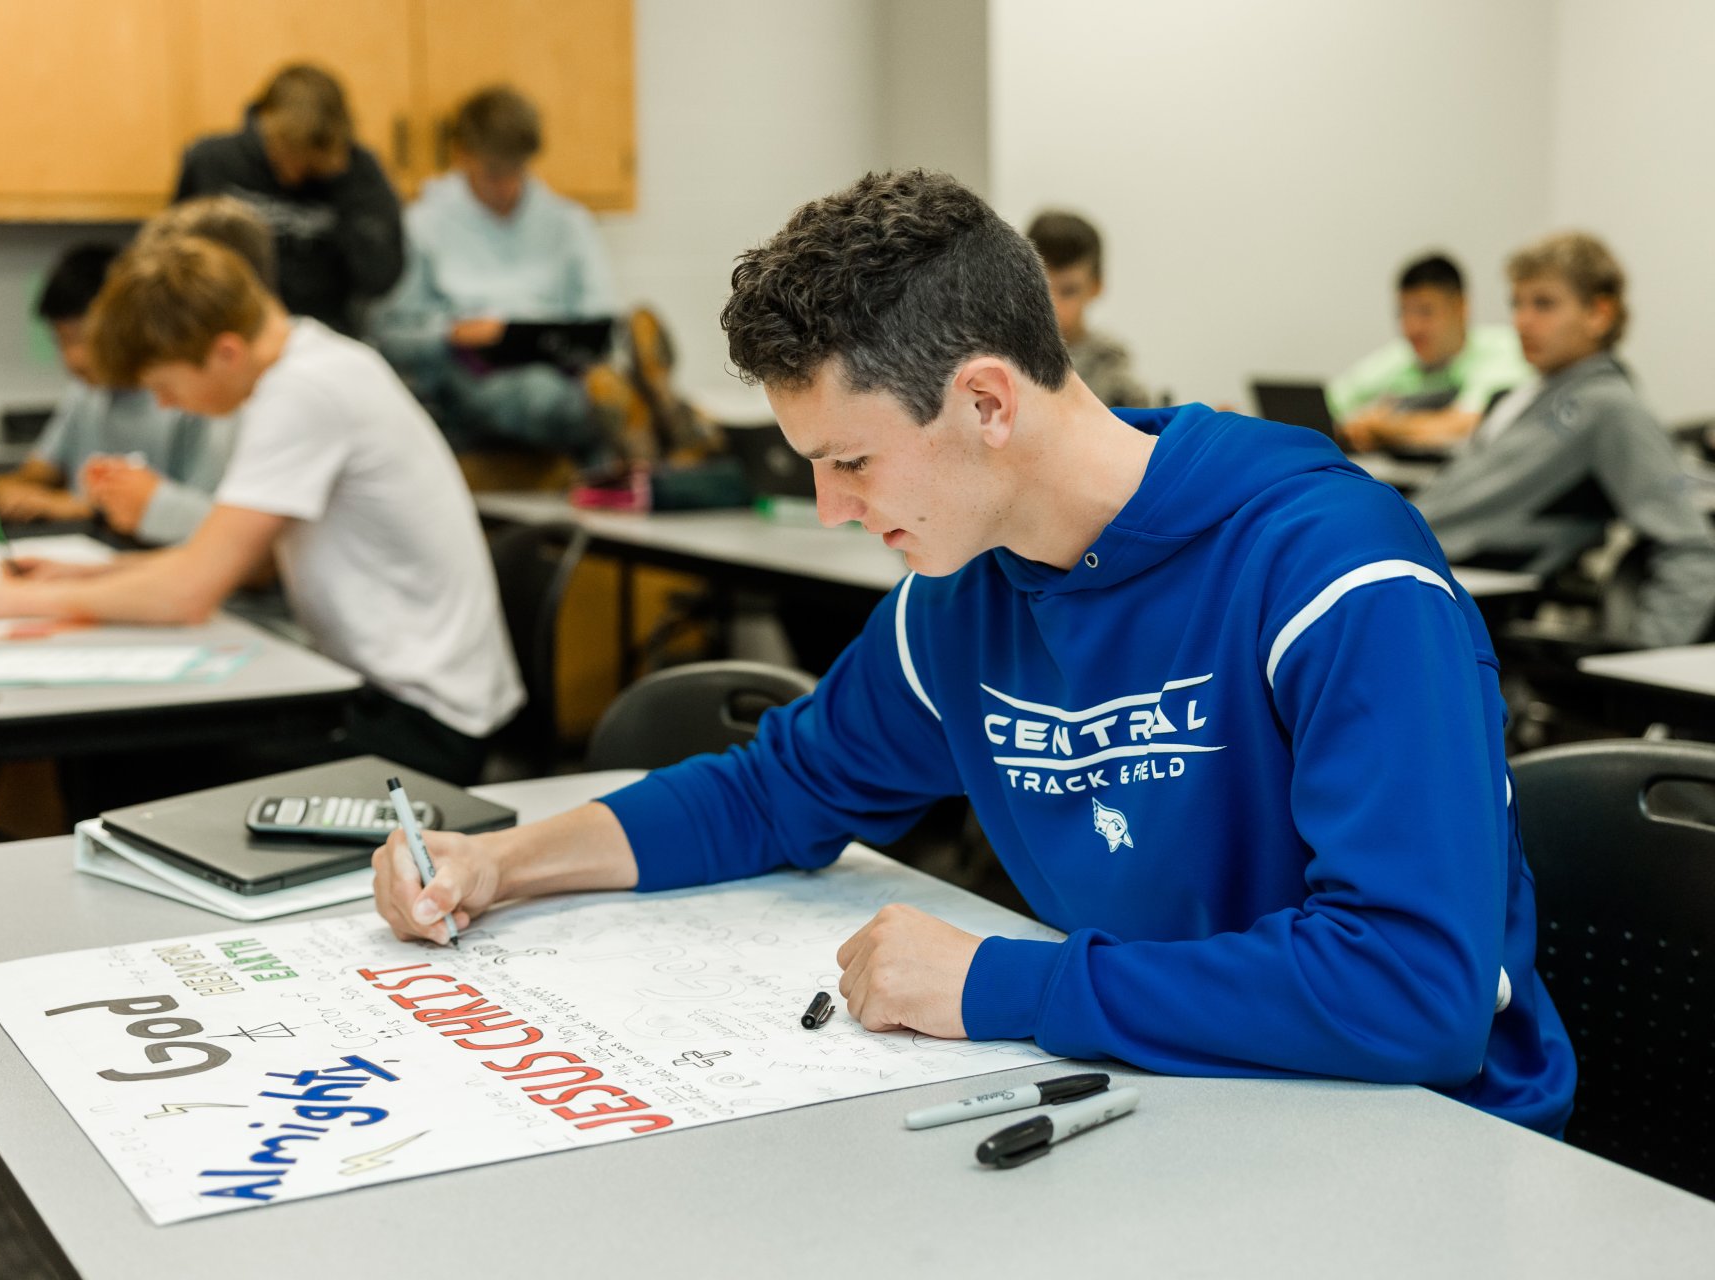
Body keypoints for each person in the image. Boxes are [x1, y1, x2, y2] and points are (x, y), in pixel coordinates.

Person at [369, 170, 1576, 1137]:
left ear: (988, 403)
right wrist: (505, 863)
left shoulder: (1337, 576)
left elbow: (1415, 991)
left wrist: (1002, 984)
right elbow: (772, 790)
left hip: (1414, 1138)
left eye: (850, 460)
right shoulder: (964, 590)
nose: (833, 510)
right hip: (1172, 1097)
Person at [0, 237, 523, 784]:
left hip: (421, 727)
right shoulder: (313, 358)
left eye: (165, 384)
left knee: (130, 762)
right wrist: (94, 575)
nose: (164, 404)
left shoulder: (301, 391)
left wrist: (17, 600)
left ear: (225, 353)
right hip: (393, 698)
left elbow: (187, 593)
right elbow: (235, 563)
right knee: (133, 753)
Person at [1415, 233, 1715, 648]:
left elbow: (1691, 550)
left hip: (1460, 605)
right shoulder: (1523, 396)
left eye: (1544, 304)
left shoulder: (1609, 408)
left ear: (1599, 313)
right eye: (1516, 304)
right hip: (1421, 571)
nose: (1522, 321)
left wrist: (1635, 669)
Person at [371, 85, 692, 465]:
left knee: (589, 381)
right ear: (463, 155)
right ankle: (659, 419)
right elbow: (389, 333)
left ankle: (641, 420)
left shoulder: (567, 222)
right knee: (541, 395)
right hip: (475, 374)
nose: (506, 187)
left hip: (565, 363)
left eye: (517, 171)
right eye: (493, 172)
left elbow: (599, 314)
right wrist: (451, 332)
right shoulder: (423, 224)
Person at [0, 243, 230, 546]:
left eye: (84, 339)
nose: (72, 360)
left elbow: (214, 523)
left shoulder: (194, 399)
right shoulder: (85, 393)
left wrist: (80, 507)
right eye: (60, 342)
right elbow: (36, 474)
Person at [172, 63, 404, 336]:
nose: (293, 173)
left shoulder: (358, 172)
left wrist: (341, 180)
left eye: (307, 162)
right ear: (262, 128)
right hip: (225, 332)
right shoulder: (212, 161)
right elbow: (175, 260)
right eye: (285, 150)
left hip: (324, 336)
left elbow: (380, 278)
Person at [1329, 253, 1530, 452]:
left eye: (1425, 311)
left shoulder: (1505, 349)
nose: (1412, 327)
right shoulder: (1399, 358)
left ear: (1461, 307)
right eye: (1403, 312)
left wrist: (1383, 427)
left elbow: (1471, 422)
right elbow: (1329, 404)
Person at [1023, 210, 1150, 409]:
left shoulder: (1112, 373)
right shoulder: (1003, 357)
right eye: (1042, 287)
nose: (1052, 303)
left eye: (1068, 291)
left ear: (1095, 287)